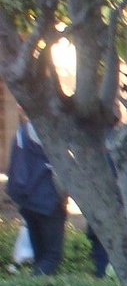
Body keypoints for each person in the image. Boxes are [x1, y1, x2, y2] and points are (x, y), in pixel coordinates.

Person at [7, 118, 67, 275]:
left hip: (26, 199)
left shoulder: (22, 132)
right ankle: (35, 284)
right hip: (48, 200)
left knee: (40, 254)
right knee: (53, 256)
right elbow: (61, 165)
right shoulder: (49, 131)